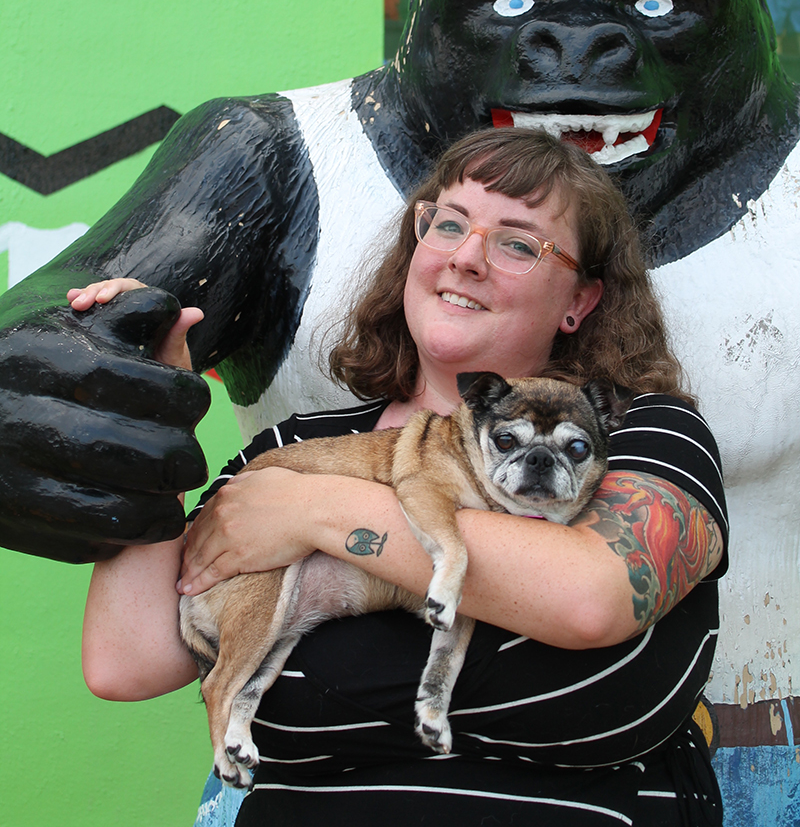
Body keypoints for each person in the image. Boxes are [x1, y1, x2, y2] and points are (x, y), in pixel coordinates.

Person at [80, 127, 727, 827]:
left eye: (517, 244)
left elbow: (591, 598)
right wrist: (152, 412)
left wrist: (315, 511)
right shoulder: (300, 449)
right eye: (448, 224)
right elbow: (127, 662)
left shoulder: (633, 433)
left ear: (582, 300)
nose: (466, 257)